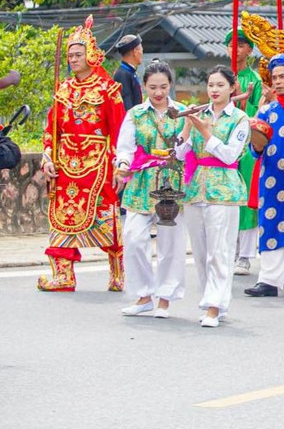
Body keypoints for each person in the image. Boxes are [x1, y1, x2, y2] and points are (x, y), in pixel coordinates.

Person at [38, 17, 126, 293]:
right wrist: (48, 155)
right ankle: (63, 276)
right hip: (65, 164)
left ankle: (117, 272)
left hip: (97, 163)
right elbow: (52, 128)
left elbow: (120, 131)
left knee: (105, 216)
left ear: (90, 55)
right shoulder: (62, 90)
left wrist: (118, 165)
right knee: (61, 218)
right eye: (70, 55)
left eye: (78, 54)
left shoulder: (108, 89)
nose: (73, 59)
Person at [177, 66, 250, 328]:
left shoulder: (240, 119)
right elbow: (180, 153)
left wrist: (206, 132)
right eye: (210, 85)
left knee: (220, 251)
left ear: (232, 88)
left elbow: (231, 155)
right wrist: (187, 127)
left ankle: (214, 306)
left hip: (224, 191)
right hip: (196, 188)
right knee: (200, 251)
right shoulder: (198, 114)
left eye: (220, 85)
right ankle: (213, 299)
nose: (214, 90)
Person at [114, 60, 186, 317]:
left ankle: (165, 298)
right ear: (144, 86)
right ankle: (143, 294)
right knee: (133, 238)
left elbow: (189, 146)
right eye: (153, 87)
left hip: (172, 182)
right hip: (142, 182)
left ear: (170, 86)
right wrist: (123, 164)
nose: (158, 92)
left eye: (163, 87)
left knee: (171, 243)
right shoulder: (135, 114)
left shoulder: (182, 112)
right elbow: (125, 147)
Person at [244, 53, 284, 298]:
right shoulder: (266, 110)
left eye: (283, 76)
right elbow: (255, 150)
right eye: (275, 77)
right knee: (271, 222)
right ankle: (269, 280)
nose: (278, 81)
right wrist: (256, 142)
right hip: (272, 177)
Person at [225, 29, 263, 277]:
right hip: (223, 145)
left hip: (246, 147)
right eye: (230, 45)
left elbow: (256, 116)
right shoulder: (222, 76)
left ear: (249, 50)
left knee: (247, 200)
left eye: (239, 45)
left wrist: (242, 97)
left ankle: (246, 255)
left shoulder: (255, 80)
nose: (234, 49)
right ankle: (228, 250)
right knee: (227, 198)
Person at [112, 33, 144, 111]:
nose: (142, 53)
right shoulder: (122, 74)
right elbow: (127, 104)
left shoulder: (129, 72)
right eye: (141, 50)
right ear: (135, 51)